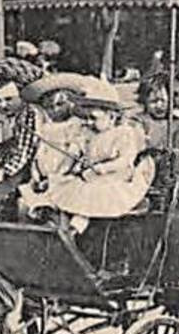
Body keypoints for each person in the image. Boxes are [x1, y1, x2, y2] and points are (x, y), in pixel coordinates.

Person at [21, 94, 151, 232]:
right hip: (89, 176)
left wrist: (103, 168)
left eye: (94, 118)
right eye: (87, 118)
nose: (89, 122)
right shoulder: (87, 134)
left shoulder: (123, 133)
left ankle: (75, 229)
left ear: (112, 117)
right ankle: (57, 225)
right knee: (65, 193)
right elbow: (73, 156)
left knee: (87, 201)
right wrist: (58, 174)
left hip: (113, 179)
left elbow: (125, 161)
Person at [0, 78, 41, 219]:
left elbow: (24, 152)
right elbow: (10, 147)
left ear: (21, 97)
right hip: (20, 168)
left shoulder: (28, 114)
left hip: (34, 169)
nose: (3, 105)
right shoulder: (13, 116)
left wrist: (3, 173)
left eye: (9, 99)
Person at [136, 74, 175, 152]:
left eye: (163, 100)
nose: (159, 105)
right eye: (153, 101)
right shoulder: (140, 121)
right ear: (144, 102)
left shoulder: (175, 120)